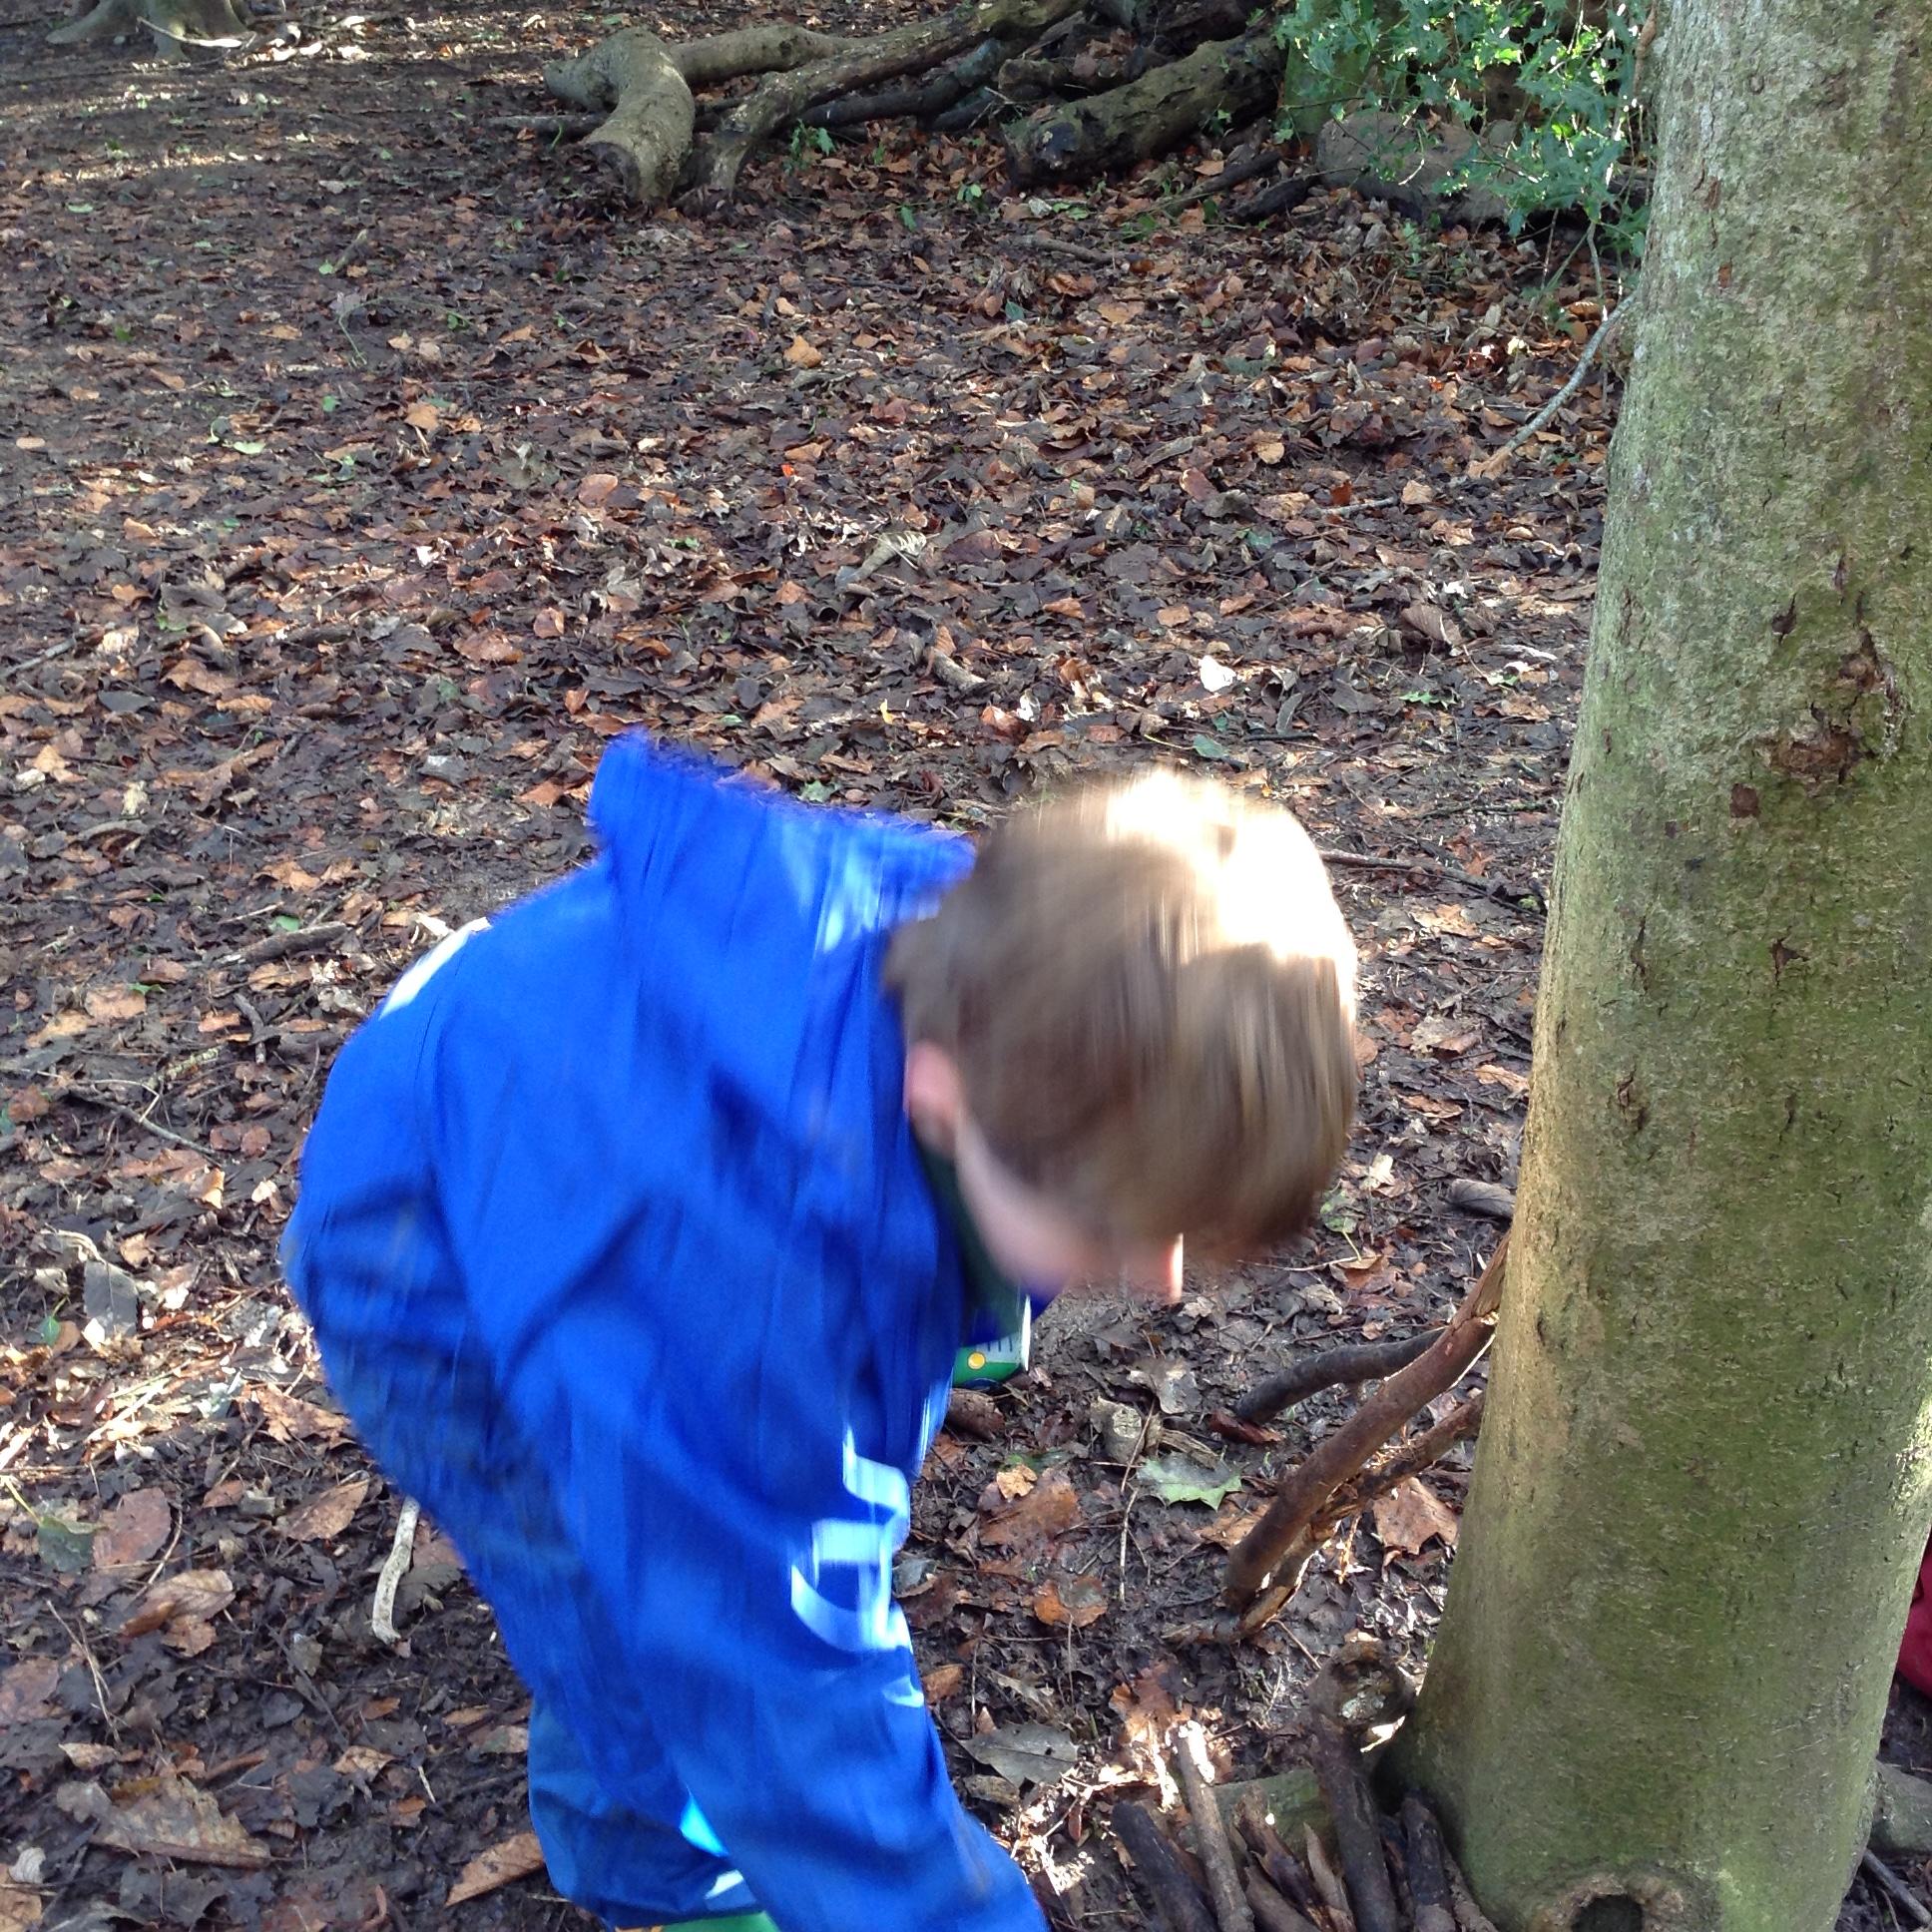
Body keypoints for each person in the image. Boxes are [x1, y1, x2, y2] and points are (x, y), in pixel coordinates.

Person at [281, 732, 1358, 1932]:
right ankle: (661, 1873)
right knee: (634, 1601)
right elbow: (775, 1679)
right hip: (426, 1273)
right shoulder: (747, 1301)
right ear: (942, 1097)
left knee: (704, 1527)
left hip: (522, 1092)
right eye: (1111, 1227)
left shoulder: (987, 955)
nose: (1160, 1280)